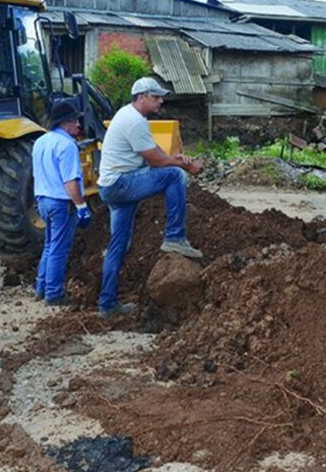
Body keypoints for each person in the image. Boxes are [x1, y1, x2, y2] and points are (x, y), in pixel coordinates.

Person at [97, 77, 204, 319]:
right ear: (142, 96)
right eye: (156, 97)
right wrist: (185, 166)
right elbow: (156, 162)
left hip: (114, 185)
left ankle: (107, 304)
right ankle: (175, 236)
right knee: (175, 176)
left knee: (118, 246)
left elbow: (155, 154)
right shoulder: (134, 121)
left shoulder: (130, 116)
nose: (160, 101)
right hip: (121, 184)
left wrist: (179, 158)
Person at [32, 99, 92, 306]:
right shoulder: (67, 146)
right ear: (66, 122)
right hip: (61, 203)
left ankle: (40, 287)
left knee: (49, 245)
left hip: (43, 201)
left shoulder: (41, 141)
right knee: (59, 248)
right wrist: (82, 207)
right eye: (75, 121)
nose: (78, 125)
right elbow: (70, 182)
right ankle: (53, 293)